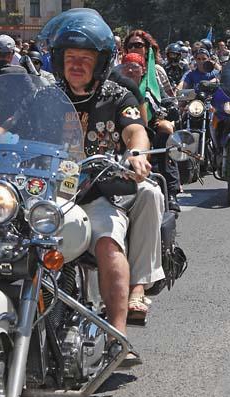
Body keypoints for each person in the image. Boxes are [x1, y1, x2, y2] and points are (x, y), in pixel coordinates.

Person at [46, 12, 165, 362]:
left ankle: (118, 334)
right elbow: (10, 125)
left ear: (100, 63)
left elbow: (134, 129)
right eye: (70, 58)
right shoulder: (46, 95)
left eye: (85, 59)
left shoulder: (117, 94)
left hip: (97, 191)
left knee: (108, 241)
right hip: (51, 192)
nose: (77, 66)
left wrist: (137, 152)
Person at [124, 29, 180, 211]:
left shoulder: (156, 71)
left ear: (147, 48)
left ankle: (171, 191)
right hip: (124, 123)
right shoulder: (118, 71)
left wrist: (167, 111)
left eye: (139, 45)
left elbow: (169, 97)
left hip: (153, 122)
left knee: (166, 131)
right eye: (131, 45)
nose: (135, 48)